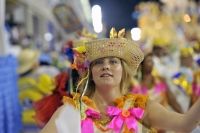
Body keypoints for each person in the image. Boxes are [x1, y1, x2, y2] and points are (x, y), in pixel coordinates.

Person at [35, 28, 200, 133]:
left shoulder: (142, 107)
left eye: (113, 62)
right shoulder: (70, 112)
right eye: (98, 62)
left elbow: (185, 124)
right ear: (90, 72)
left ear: (124, 71)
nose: (106, 66)